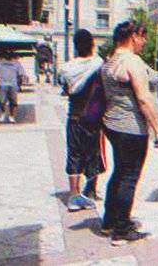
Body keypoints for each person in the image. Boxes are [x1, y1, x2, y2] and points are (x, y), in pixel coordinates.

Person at [100, 20, 158, 246]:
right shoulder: (131, 61)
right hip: (131, 127)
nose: (144, 41)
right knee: (129, 176)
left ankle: (110, 220)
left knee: (119, 173)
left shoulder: (110, 61)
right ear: (133, 36)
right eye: (142, 36)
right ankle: (122, 229)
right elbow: (143, 98)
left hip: (112, 124)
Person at [58, 29, 106, 211]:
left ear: (76, 47)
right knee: (93, 154)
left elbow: (66, 89)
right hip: (93, 119)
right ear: (93, 45)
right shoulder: (99, 64)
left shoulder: (66, 67)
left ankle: (73, 195)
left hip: (74, 117)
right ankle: (91, 191)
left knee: (74, 154)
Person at [0, 50, 26, 123]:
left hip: (13, 85)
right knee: (1, 100)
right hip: (2, 84)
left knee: (13, 101)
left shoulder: (16, 63)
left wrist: (19, 84)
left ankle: (11, 115)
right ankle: (3, 112)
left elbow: (20, 74)